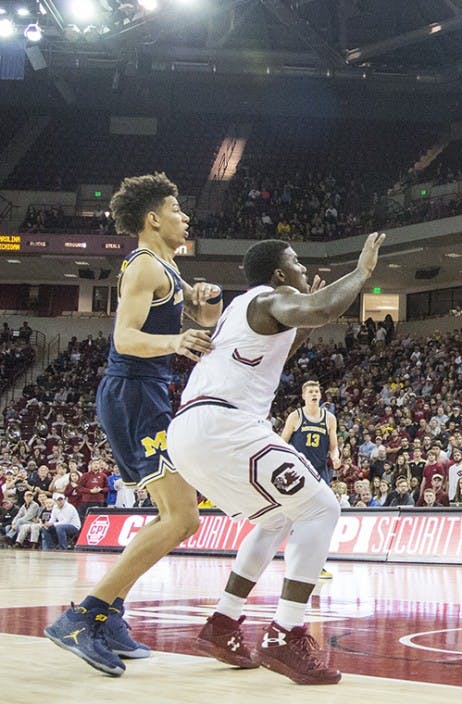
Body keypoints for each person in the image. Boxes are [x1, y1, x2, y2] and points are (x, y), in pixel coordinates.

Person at [166, 232, 384, 685]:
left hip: (189, 431)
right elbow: (322, 307)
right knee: (322, 508)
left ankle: (222, 622)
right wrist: (361, 274)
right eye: (297, 264)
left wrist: (304, 324)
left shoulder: (240, 311)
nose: (304, 270)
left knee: (275, 520)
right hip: (226, 425)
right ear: (280, 273)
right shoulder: (271, 296)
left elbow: (284, 342)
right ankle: (287, 632)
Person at [45, 173, 222, 676]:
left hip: (144, 393)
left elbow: (204, 320)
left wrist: (205, 298)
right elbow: (124, 338)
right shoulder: (145, 267)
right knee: (182, 517)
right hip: (133, 392)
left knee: (177, 515)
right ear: (153, 219)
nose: (185, 217)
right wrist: (175, 342)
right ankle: (84, 617)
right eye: (176, 208)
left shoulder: (167, 266)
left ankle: (110, 614)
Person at [281, 380, 340, 487]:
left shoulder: (330, 418)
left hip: (320, 470)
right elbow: (282, 444)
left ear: (320, 395)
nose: (314, 394)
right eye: (311, 392)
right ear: (303, 396)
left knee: (322, 503)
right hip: (298, 469)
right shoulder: (295, 416)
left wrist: (335, 458)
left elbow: (333, 447)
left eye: (317, 391)